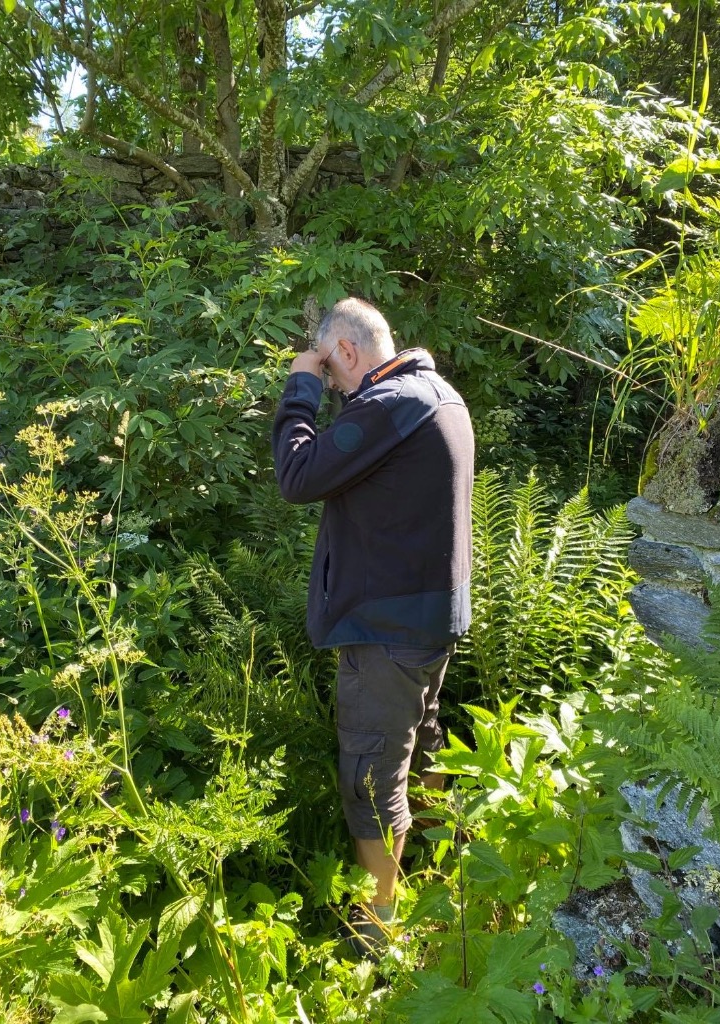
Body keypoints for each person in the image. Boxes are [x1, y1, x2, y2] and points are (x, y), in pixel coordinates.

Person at [272, 297, 474, 955]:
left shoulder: (388, 407)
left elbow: (298, 475)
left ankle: (377, 928)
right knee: (423, 743)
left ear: (348, 353)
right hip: (425, 617)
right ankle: (447, 876)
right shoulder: (439, 396)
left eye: (331, 371)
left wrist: (300, 386)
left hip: (384, 626)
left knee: (369, 774)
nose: (331, 386)